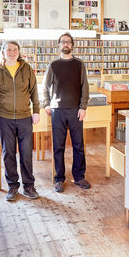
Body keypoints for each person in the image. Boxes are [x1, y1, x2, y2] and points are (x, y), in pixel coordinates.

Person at [0, 41, 40, 202]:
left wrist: (36, 111)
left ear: (19, 52)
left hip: (24, 118)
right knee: (8, 153)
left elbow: (34, 92)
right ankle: (12, 186)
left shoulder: (27, 69)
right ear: (3, 52)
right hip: (5, 118)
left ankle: (29, 186)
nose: (12, 52)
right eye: (8, 50)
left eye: (15, 49)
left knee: (26, 154)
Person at [42, 32, 90, 193]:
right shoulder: (53, 65)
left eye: (68, 42)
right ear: (59, 45)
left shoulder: (79, 64)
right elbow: (45, 87)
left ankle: (79, 176)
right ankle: (59, 179)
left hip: (76, 110)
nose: (66, 44)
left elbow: (85, 86)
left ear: (72, 45)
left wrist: (83, 107)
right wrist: (47, 104)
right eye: (63, 42)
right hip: (57, 111)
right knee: (58, 146)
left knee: (78, 145)